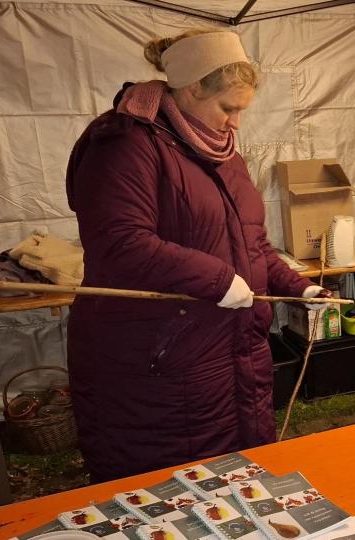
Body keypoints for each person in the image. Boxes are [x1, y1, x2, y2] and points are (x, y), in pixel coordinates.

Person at [66, 29, 329, 481]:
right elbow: (120, 242)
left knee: (234, 485)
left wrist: (299, 287)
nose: (237, 123)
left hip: (229, 356)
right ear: (191, 90)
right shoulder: (126, 144)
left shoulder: (221, 151)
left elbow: (252, 245)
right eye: (229, 108)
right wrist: (217, 279)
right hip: (159, 362)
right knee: (166, 489)